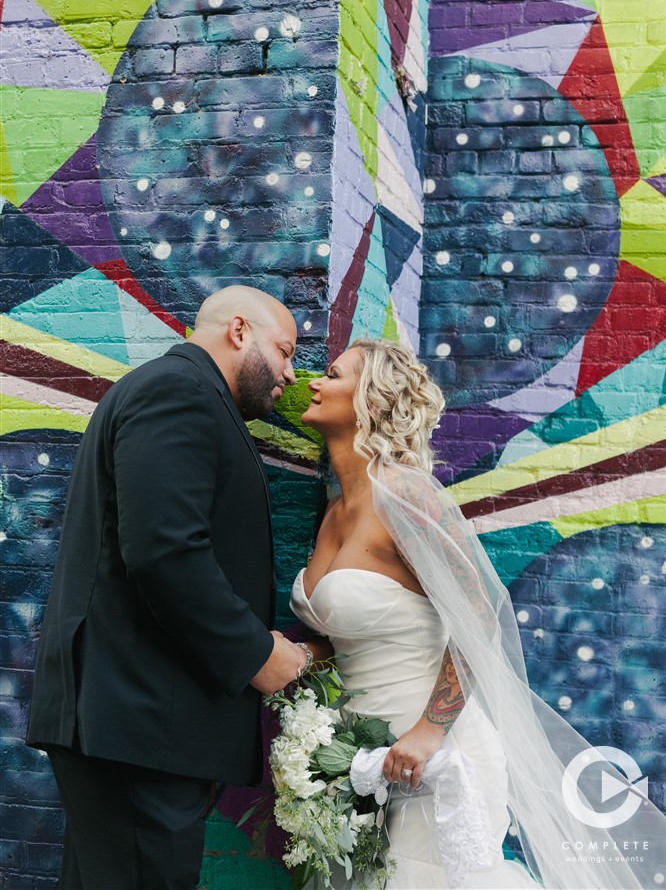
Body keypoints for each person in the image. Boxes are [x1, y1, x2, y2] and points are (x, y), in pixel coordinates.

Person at [291, 338, 666, 889]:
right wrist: (299, 654)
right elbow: (359, 630)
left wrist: (429, 729)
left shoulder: (406, 493)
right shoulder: (332, 511)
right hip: (363, 764)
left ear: (371, 398)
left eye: (332, 374)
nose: (315, 383)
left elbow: (480, 611)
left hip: (438, 757)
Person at [26, 285, 311, 890]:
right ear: (240, 331)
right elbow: (164, 551)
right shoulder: (178, 391)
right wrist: (255, 654)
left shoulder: (184, 394)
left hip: (134, 728)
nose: (290, 373)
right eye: (284, 351)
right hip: (136, 727)